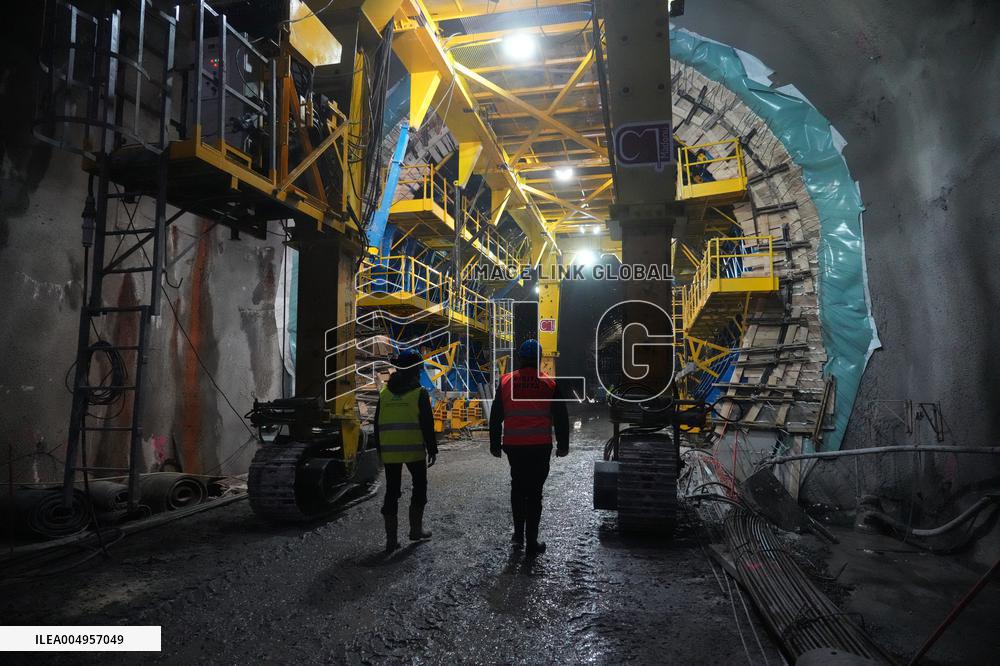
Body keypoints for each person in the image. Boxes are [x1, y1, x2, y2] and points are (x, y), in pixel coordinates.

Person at [489, 339, 569, 556]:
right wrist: (563, 446)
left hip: (514, 446)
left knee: (517, 488)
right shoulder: (549, 383)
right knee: (534, 493)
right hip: (539, 446)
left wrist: (494, 444)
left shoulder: (506, 381)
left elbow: (495, 416)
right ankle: (532, 543)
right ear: (540, 359)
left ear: (520, 358)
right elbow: (561, 417)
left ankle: (518, 537)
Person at [375, 348, 438, 552]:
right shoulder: (419, 393)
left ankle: (391, 540)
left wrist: (379, 450)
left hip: (390, 452)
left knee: (391, 491)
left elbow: (376, 424)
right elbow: (427, 424)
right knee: (419, 487)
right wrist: (432, 449)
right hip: (414, 451)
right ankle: (416, 530)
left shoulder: (384, 394)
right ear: (415, 370)